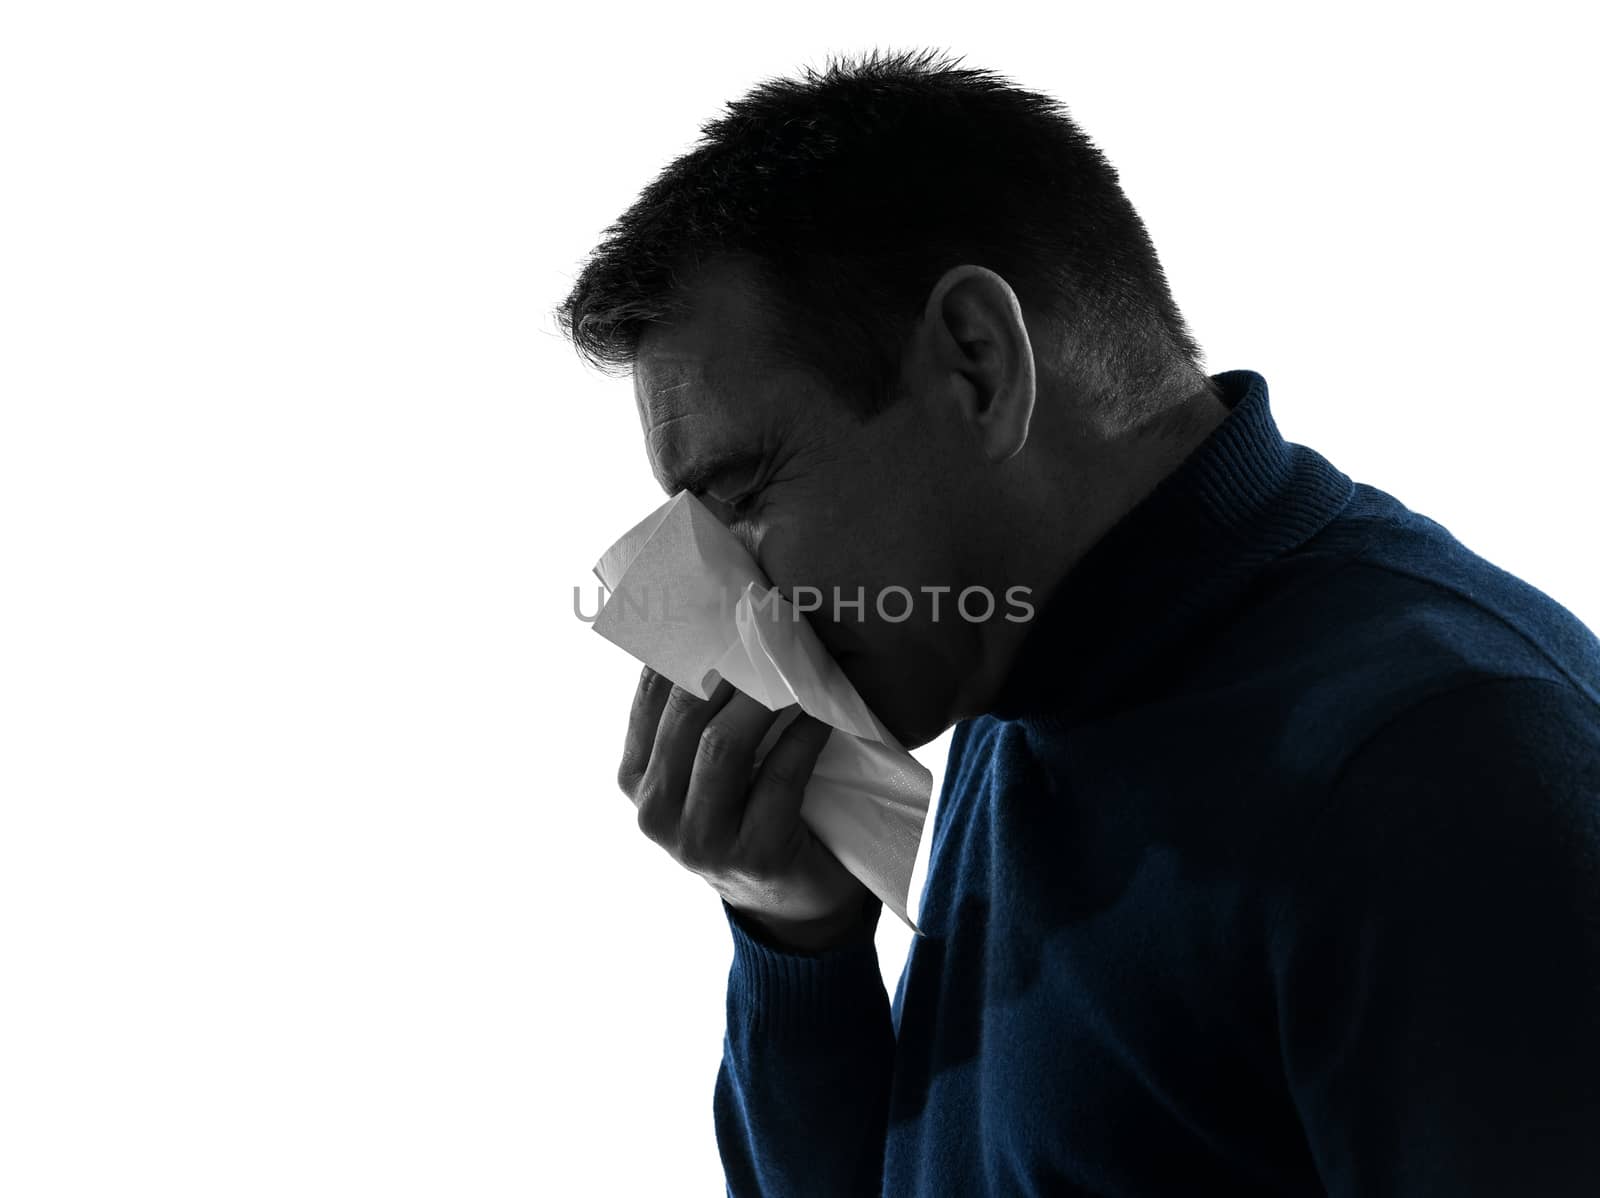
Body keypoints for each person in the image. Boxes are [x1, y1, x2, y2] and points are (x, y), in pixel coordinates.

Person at [553, 47, 1600, 1197]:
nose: (725, 600)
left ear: (977, 363)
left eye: (745, 495)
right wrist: (796, 936)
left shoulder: (1446, 769)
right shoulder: (1025, 685)